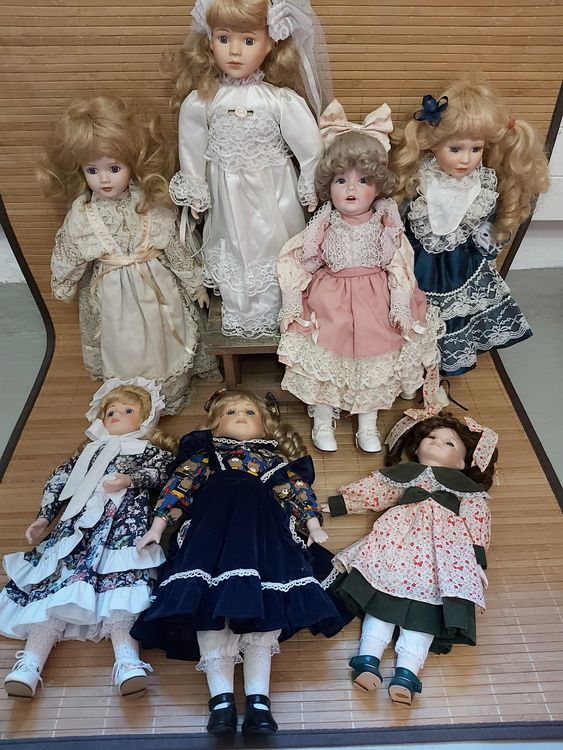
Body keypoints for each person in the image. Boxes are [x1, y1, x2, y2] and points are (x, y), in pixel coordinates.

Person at [131, 389, 346, 736]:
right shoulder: (205, 458)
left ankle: (259, 701)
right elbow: (179, 487)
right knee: (208, 608)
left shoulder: (274, 463)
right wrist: (158, 526)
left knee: (265, 604)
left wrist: (313, 524)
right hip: (210, 536)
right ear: (215, 425)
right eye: (231, 412)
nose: (241, 416)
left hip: (262, 536)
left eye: (249, 412)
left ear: (265, 426)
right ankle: (221, 701)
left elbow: (297, 492)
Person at [277, 99, 443, 453]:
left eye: (363, 181)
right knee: (326, 361)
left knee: (372, 362)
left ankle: (366, 424)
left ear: (378, 186)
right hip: (331, 301)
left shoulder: (385, 223)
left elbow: (399, 265)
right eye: (341, 180)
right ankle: (323, 418)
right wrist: (292, 300)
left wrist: (400, 304)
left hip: (374, 301)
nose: (351, 190)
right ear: (328, 186)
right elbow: (298, 259)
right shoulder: (324, 222)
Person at [38, 95, 219, 414]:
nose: (103, 179)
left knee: (164, 336)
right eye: (92, 170)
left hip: (156, 285)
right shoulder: (84, 213)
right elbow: (70, 249)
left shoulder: (150, 203)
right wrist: (64, 280)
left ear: (132, 163)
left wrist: (196, 286)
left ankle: (167, 392)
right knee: (124, 343)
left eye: (114, 168)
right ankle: (131, 401)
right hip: (113, 295)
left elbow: (175, 248)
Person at [0, 379, 177, 698]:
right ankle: (29, 663)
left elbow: (163, 473)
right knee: (56, 587)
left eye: (128, 410)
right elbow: (58, 480)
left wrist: (130, 478)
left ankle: (128, 661)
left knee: (122, 590)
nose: (117, 416)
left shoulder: (148, 450)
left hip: (123, 529)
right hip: (76, 531)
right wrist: (44, 516)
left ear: (146, 418)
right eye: (111, 411)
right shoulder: (87, 453)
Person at [166, 0, 332, 337]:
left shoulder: (280, 100)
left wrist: (310, 184)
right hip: (226, 199)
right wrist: (196, 190)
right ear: (209, 41)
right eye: (223, 38)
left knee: (278, 247)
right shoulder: (202, 102)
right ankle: (242, 308)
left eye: (248, 40)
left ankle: (285, 307)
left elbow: (310, 148)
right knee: (233, 248)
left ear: (270, 43)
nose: (235, 51)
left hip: (274, 195)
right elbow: (192, 149)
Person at [325, 405, 498, 705]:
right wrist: (339, 505)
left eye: (449, 443)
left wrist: (476, 561)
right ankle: (367, 658)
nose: (437, 442)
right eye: (431, 438)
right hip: (395, 545)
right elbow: (376, 492)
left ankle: (407, 672)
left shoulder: (468, 492)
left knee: (425, 613)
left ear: (462, 462)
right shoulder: (405, 476)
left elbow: (477, 523)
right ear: (416, 448)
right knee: (382, 599)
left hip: (444, 556)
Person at [391, 79, 549, 375]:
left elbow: (490, 228)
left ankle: (444, 365)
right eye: (455, 148)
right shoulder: (422, 179)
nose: (466, 159)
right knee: (413, 315)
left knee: (455, 316)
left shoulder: (483, 185)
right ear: (433, 143)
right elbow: (400, 216)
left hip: (461, 266)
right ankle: (411, 368)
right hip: (416, 265)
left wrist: (485, 249)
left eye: (476, 148)